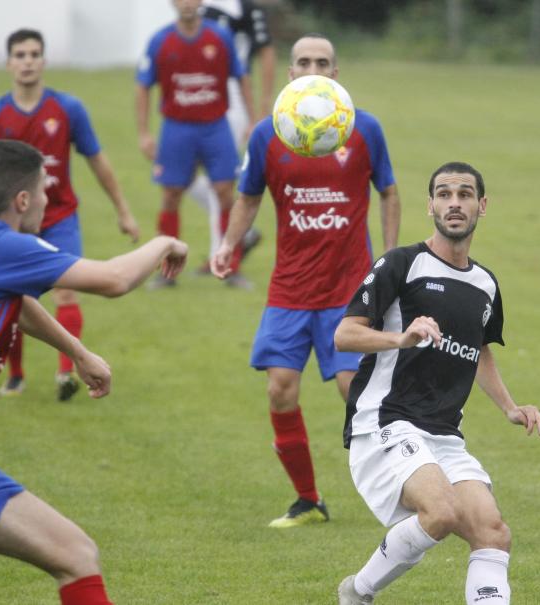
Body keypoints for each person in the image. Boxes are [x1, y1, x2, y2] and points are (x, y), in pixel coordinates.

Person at [0, 139, 187, 605]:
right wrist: (164, 241)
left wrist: (78, 352)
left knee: (75, 554)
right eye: (44, 191)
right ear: (23, 201)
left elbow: (19, 303)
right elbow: (113, 279)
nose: (51, 200)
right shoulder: (3, 246)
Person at [332, 162, 540, 604]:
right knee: (442, 512)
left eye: (465, 194)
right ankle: (357, 592)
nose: (455, 203)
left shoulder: (485, 284)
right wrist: (401, 337)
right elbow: (344, 334)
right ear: (430, 205)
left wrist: (510, 407)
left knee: (493, 532)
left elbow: (480, 350)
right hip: (385, 422)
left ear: (481, 206)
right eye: (445, 194)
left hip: (443, 434)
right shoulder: (402, 264)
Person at [212, 34, 401, 528]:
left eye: (322, 61)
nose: (312, 67)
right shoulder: (267, 134)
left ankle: (401, 488)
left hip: (347, 290)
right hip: (291, 289)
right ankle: (308, 500)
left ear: (335, 73)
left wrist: (390, 258)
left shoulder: (364, 129)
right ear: (291, 74)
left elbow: (388, 191)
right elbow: (248, 197)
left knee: (351, 390)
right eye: (303, 62)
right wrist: (228, 245)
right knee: (279, 389)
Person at [0, 28, 141, 401]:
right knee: (11, 301)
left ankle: (66, 373)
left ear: (44, 61)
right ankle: (15, 375)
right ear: (9, 63)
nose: (28, 61)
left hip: (61, 216)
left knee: (66, 294)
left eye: (34, 54)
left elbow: (97, 159)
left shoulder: (67, 109)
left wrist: (123, 210)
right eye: (20, 54)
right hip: (12, 225)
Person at [136, 0, 255, 288]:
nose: (186, 3)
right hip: (177, 127)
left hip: (215, 126)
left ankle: (231, 267)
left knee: (227, 192)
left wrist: (252, 120)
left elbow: (241, 76)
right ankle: (167, 271)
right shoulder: (160, 40)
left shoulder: (219, 37)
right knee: (171, 195)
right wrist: (143, 132)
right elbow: (143, 85)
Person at [187, 0, 277, 273]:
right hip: (199, 93)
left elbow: (267, 51)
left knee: (220, 181)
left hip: (234, 97)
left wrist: (262, 106)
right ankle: (242, 233)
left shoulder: (246, 9)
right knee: (183, 177)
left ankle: (220, 254)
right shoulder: (197, 6)